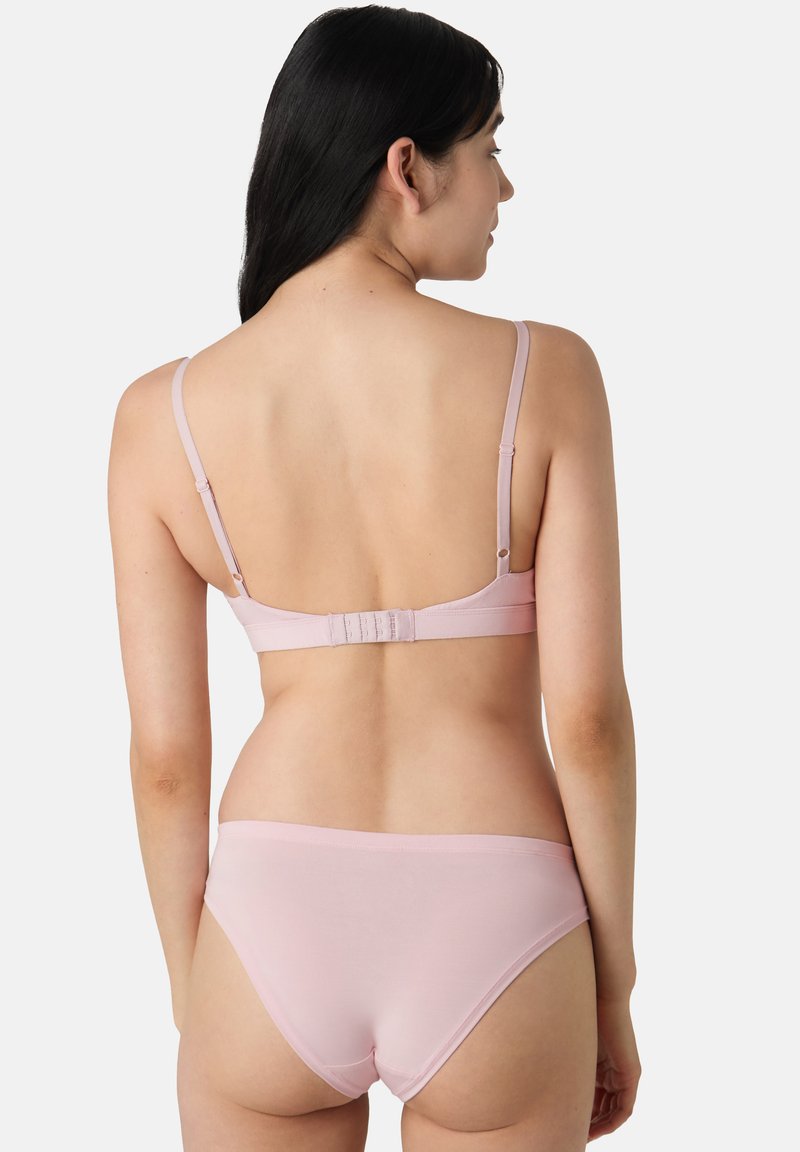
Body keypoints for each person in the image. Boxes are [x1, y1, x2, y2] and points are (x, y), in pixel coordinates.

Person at [107, 5, 640, 1149]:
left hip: (269, 915)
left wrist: (195, 993)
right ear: (407, 167)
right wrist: (610, 983)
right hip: (498, 909)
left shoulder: (162, 416)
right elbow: (588, 720)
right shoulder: (544, 374)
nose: (503, 188)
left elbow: (164, 761)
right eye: (488, 148)